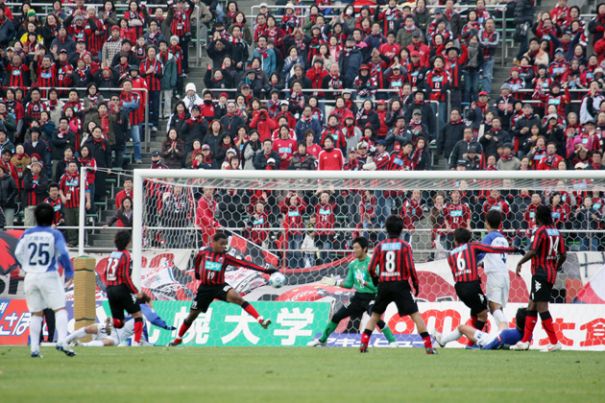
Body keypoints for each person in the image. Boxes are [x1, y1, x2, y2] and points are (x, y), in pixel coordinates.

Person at [170, 232, 277, 346]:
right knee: (192, 316)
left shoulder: (225, 257)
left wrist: (265, 270)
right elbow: (197, 261)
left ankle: (260, 320)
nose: (223, 247)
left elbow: (245, 264)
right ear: (214, 242)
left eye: (225, 244)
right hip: (204, 289)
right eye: (221, 244)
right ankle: (178, 338)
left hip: (219, 286)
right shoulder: (203, 252)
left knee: (238, 298)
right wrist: (197, 274)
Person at [359, 215, 436, 354]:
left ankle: (364, 344)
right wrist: (416, 285)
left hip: (384, 284)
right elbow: (411, 267)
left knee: (375, 316)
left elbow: (371, 268)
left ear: (386, 229)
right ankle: (428, 346)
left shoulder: (380, 246)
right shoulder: (405, 246)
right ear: (401, 229)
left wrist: (376, 281)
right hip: (401, 285)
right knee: (415, 315)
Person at [308, 237, 396, 347]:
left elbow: (377, 286)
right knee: (337, 316)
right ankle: (322, 341)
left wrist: (364, 283)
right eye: (353, 248)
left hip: (372, 297)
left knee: (376, 318)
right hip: (357, 298)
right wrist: (335, 282)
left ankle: (392, 341)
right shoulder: (353, 264)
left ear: (364, 249)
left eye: (357, 248)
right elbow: (349, 284)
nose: (354, 250)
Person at [14, 203, 75, 358]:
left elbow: (18, 252)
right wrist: (69, 271)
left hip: (31, 276)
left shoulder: (27, 234)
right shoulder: (54, 234)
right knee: (60, 309)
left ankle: (34, 348)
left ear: (35, 217)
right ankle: (62, 341)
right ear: (52, 218)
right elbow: (62, 253)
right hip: (48, 274)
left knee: (36, 313)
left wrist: (26, 266)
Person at [512, 205, 566, 352]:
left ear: (539, 217)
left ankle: (554, 342)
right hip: (549, 273)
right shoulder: (557, 232)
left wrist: (520, 262)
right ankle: (525, 342)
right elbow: (563, 255)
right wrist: (555, 266)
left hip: (540, 274)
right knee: (531, 305)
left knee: (542, 307)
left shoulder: (540, 231)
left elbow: (533, 251)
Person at [445, 228, 518, 337]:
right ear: (469, 238)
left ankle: (470, 334)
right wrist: (512, 249)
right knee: (484, 313)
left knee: (477, 308)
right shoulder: (472, 246)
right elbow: (492, 249)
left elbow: (455, 273)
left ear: (455, 240)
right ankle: (473, 340)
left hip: (459, 288)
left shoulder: (450, 255)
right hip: (472, 286)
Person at [102, 230, 146, 346]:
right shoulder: (126, 255)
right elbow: (125, 276)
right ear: (128, 242)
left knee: (119, 323)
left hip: (110, 289)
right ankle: (137, 342)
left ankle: (106, 323)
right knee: (138, 315)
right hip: (121, 289)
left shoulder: (112, 254)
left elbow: (105, 272)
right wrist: (135, 291)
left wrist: (108, 286)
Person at [64, 302, 174, 347]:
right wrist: (108, 322)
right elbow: (110, 319)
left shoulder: (141, 319)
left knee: (109, 342)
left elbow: (142, 340)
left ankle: (83, 346)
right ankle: (66, 340)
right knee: (91, 328)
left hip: (117, 336)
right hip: (109, 328)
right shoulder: (128, 312)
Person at [435, 308, 528, 350]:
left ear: (516, 320)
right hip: (500, 334)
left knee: (461, 328)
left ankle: (442, 342)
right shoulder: (527, 334)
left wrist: (481, 349)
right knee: (502, 320)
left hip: (487, 340)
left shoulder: (507, 334)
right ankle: (491, 306)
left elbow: (494, 343)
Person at [479, 210, 511, 330]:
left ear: (486, 223)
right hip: (504, 275)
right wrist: (483, 264)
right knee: (499, 307)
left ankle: (505, 332)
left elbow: (480, 254)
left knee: (493, 306)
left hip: (494, 276)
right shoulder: (503, 239)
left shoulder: (489, 237)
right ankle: (502, 332)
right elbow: (495, 258)